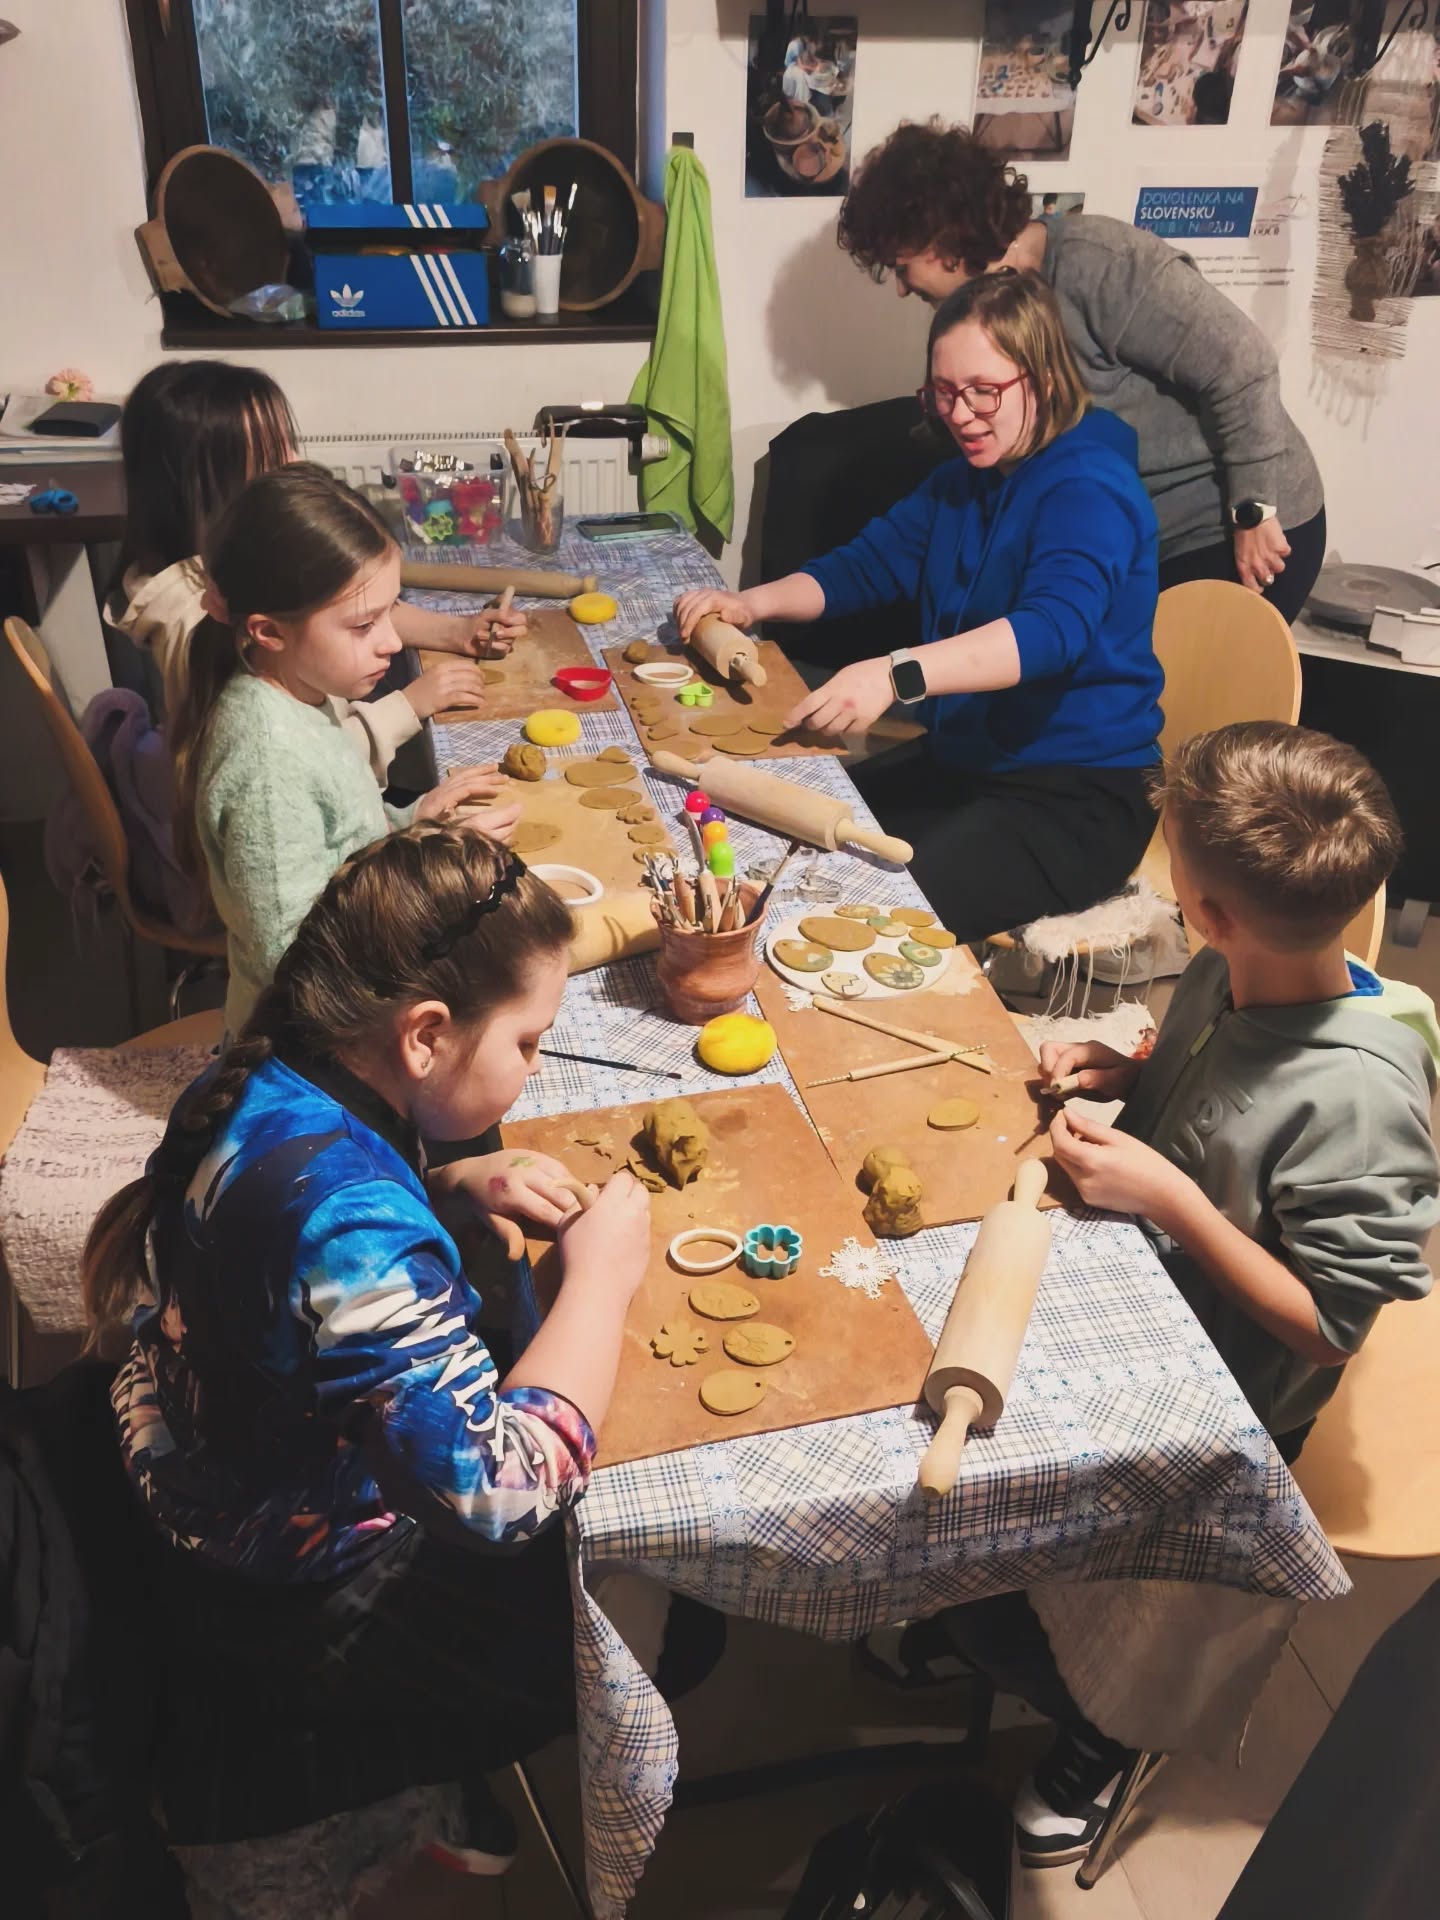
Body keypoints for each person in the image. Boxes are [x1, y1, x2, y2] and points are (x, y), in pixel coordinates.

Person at [873, 723, 1438, 1869]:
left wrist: (1172, 1197)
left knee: (1107, 1592)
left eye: (1174, 878)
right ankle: (995, 1614)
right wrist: (1129, 1071)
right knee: (970, 1454)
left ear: (1211, 913)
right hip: (1150, 1278)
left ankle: (1101, 1726)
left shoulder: (1365, 1101)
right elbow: (1216, 1080)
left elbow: (1330, 1328)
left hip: (1236, 1387)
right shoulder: (1236, 969)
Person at [81, 826, 653, 1867]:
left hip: (189, 1444)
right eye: (528, 1043)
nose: (534, 1068)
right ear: (425, 1034)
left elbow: (308, 1243)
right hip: (278, 1580)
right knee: (636, 1626)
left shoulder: (269, 1074)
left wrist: (447, 1185)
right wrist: (602, 1281)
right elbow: (497, 1495)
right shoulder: (354, 1229)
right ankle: (363, 1782)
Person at [677, 270, 1164, 943]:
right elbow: (864, 567)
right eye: (943, 392)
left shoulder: (1090, 487)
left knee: (856, 918)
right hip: (966, 764)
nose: (960, 414)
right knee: (781, 844)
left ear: (1046, 379)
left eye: (983, 391)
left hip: (1075, 798)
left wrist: (894, 673)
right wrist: (747, 603)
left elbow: (1051, 632)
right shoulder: (962, 481)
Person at [837, 120, 1326, 620]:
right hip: (1130, 534)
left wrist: (1253, 510)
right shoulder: (979, 310)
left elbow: (1244, 363)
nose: (900, 288)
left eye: (900, 266)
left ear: (941, 238)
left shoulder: (1100, 263)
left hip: (1236, 528)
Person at [169, 462, 518, 1033]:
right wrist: (430, 874)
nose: (392, 642)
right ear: (269, 632)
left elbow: (340, 845)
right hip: (305, 1050)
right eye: (363, 625)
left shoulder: (303, 692)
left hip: (348, 1008)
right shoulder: (267, 764)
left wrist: (413, 825)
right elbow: (291, 959)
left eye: (390, 612)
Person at [114, 361, 527, 781]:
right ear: (201, 484)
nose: (296, 460)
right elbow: (296, 763)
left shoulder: (252, 554)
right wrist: (408, 706)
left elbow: (352, 606)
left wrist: (458, 632)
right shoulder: (196, 624)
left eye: (288, 443)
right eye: (273, 453)